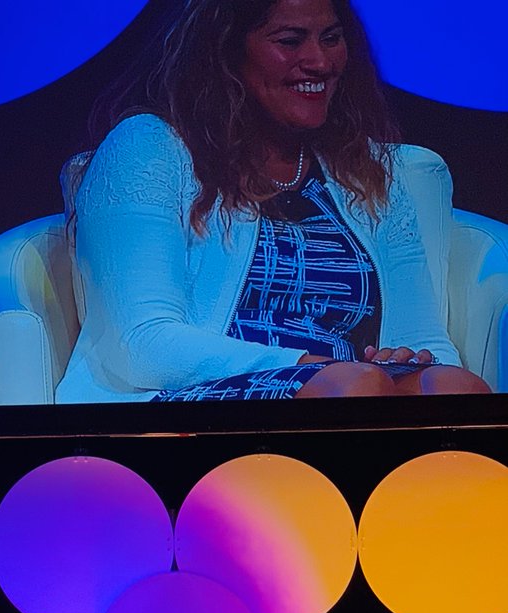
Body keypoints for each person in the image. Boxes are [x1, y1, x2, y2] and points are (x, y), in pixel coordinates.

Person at [55, 0, 492, 404]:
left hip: (348, 387)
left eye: (331, 39)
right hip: (180, 398)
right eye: (290, 41)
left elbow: (426, 339)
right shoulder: (149, 148)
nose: (320, 62)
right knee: (356, 388)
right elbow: (144, 343)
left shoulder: (370, 172)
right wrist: (315, 368)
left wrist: (407, 361)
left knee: (454, 386)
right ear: (226, 52)